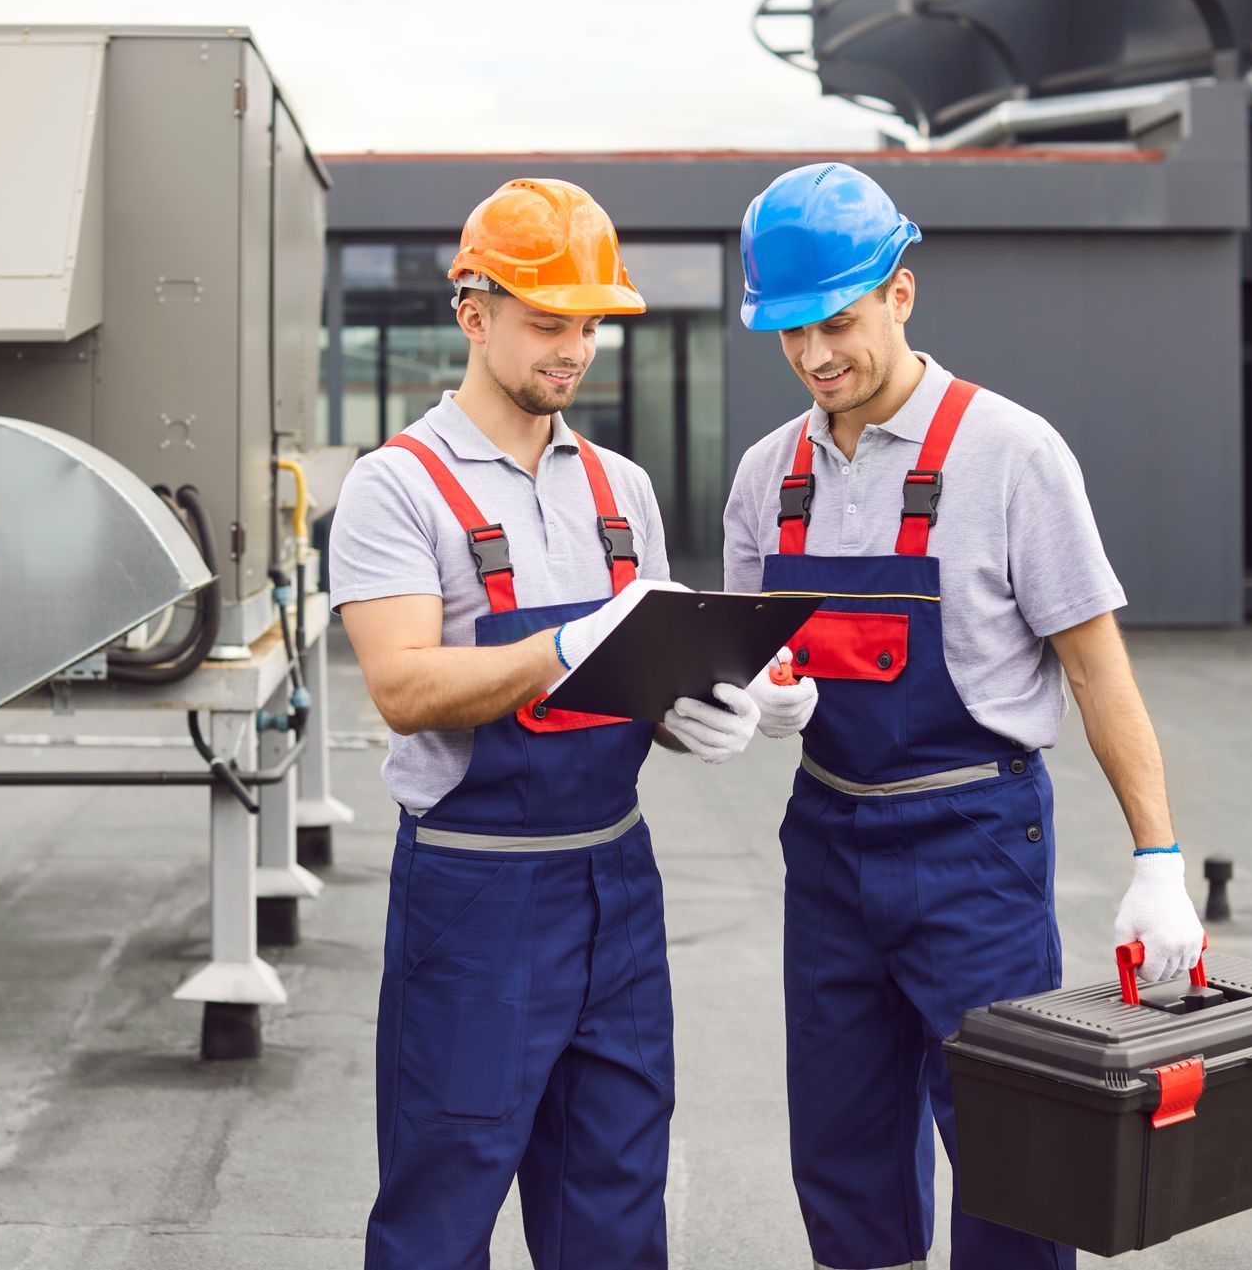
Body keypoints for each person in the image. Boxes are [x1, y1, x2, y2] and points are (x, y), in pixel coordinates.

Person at [722, 162, 1206, 1270]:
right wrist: (757, 694)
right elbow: (750, 648)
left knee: (1013, 1154)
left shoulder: (1012, 455)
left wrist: (1159, 856)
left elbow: (1095, 666)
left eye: (835, 322)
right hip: (828, 843)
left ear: (901, 289)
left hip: (974, 846)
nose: (813, 357)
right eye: (789, 333)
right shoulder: (766, 475)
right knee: (843, 1148)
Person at [329, 177, 765, 1269]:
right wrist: (561, 648)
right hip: (475, 891)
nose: (573, 352)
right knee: (444, 1198)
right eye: (546, 323)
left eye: (588, 327)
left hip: (615, 881)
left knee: (615, 1198)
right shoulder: (398, 488)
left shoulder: (621, 489)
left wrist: (712, 706)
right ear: (472, 312)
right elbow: (403, 686)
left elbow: (643, 672)